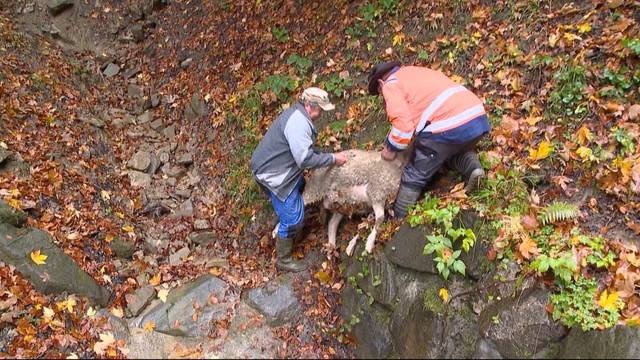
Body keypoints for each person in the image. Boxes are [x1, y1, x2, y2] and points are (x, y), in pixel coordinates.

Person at [367, 61, 491, 218]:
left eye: (379, 91)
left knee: (415, 172)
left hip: (447, 124)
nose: (382, 94)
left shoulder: (390, 85)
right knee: (447, 154)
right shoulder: (414, 71)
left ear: (380, 82)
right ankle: (473, 168)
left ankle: (399, 217)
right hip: (476, 118)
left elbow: (403, 127)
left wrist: (390, 149)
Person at [250, 87, 348, 272]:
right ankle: (283, 259)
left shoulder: (298, 115)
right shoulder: (298, 123)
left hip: (274, 165)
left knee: (301, 187)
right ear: (309, 106)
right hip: (272, 173)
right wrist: (333, 159)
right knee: (293, 218)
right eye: (320, 109)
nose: (321, 114)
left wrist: (327, 156)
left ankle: (286, 222)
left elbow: (306, 151)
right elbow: (304, 160)